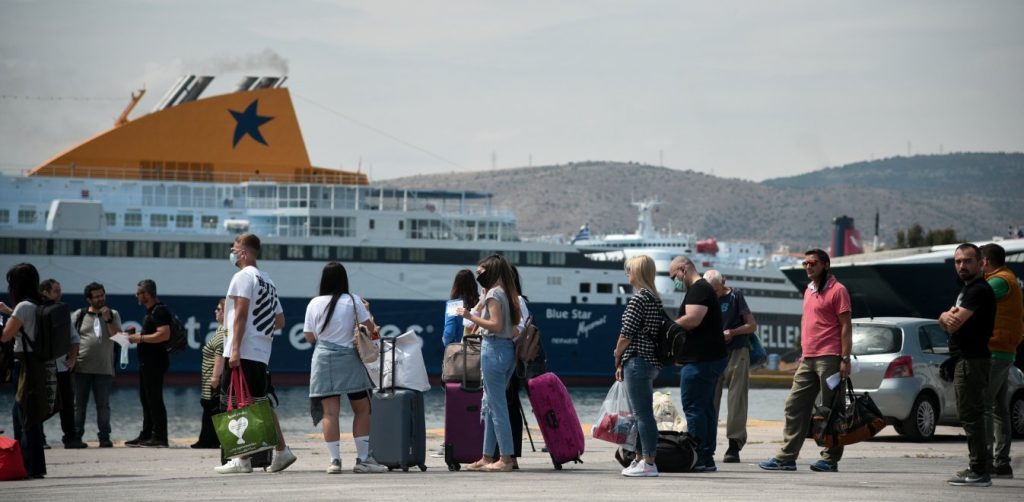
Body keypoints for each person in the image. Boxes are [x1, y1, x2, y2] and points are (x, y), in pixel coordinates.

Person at [759, 248, 851, 473]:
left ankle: (830, 459)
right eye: (805, 264)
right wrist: (802, 353)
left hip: (829, 357)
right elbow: (808, 322)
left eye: (813, 263)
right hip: (808, 357)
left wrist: (845, 358)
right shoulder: (809, 290)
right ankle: (787, 457)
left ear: (825, 265)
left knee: (830, 410)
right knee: (794, 404)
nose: (808, 267)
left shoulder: (838, 290)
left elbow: (846, 325)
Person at [215, 233, 296, 474]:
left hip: (243, 348)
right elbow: (279, 320)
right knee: (259, 402)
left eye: (235, 247)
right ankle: (281, 451)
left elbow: (240, 313)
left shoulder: (242, 277)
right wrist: (260, 330)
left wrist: (236, 347)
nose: (232, 251)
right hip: (261, 351)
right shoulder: (268, 281)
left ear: (244, 252)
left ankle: (242, 459)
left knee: (238, 401)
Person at [303, 261, 387, 474]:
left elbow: (309, 337)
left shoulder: (314, 303)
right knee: (362, 409)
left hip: (323, 359)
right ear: (344, 280)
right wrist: (368, 312)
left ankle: (334, 461)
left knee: (330, 413)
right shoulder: (353, 300)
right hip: (350, 359)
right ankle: (363, 460)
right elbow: (372, 330)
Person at [938, 243, 997, 486]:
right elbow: (950, 321)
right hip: (966, 359)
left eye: (967, 261)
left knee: (971, 416)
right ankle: (978, 466)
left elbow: (952, 324)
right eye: (958, 261)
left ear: (981, 263)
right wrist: (945, 317)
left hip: (972, 360)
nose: (962, 265)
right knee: (971, 415)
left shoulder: (978, 290)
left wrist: (943, 317)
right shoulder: (968, 290)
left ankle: (979, 471)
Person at [456, 254, 520, 472]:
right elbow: (511, 326)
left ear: (490, 272)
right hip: (504, 350)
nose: (477, 276)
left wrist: (469, 316)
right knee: (492, 405)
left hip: (493, 349)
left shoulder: (494, 294)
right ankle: (487, 455)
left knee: (497, 406)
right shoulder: (506, 293)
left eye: (480, 272)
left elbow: (494, 324)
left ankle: (505, 458)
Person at [668, 255, 726, 472]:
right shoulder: (702, 289)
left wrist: (669, 328)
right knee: (705, 409)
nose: (674, 280)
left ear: (683, 269)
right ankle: (706, 457)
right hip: (708, 359)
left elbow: (692, 319)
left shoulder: (699, 289)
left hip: (701, 361)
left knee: (694, 409)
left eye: (674, 275)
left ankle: (698, 457)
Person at [613, 255, 664, 477]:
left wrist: (617, 354)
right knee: (639, 413)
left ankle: (649, 462)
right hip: (650, 361)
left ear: (638, 273)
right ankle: (639, 458)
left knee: (642, 414)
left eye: (630, 270)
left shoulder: (638, 299)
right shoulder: (655, 299)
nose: (627, 274)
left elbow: (627, 333)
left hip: (637, 360)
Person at [2, 263, 51, 478]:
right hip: (39, 363)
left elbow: (5, 336)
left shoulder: (23, 306)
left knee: (24, 416)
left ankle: (30, 466)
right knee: (29, 414)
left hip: (24, 364)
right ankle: (34, 466)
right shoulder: (41, 304)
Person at [705, 270, 758, 464]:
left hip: (737, 351)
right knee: (710, 400)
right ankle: (706, 442)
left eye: (717, 290)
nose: (715, 295)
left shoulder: (736, 296)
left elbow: (752, 325)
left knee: (737, 400)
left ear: (723, 283)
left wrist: (732, 332)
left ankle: (734, 444)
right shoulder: (705, 297)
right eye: (712, 291)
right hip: (713, 354)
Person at [979, 243, 1022, 480]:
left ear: (984, 262)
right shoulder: (1008, 278)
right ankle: (1002, 462)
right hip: (1004, 350)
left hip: (995, 351)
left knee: (984, 404)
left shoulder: (997, 281)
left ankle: (984, 461)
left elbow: (973, 302)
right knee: (999, 408)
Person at [71, 282, 121, 449]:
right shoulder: (79, 315)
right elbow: (70, 338)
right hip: (81, 368)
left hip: (104, 368)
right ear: (89, 299)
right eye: (96, 296)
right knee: (79, 405)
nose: (100, 298)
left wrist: (108, 320)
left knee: (103, 405)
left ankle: (104, 437)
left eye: (102, 295)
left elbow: (117, 337)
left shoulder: (113, 314)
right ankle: (76, 436)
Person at [125, 279, 171, 448]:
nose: (136, 296)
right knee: (146, 399)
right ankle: (146, 434)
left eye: (138, 293)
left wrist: (140, 338)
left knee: (154, 399)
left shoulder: (159, 311)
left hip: (155, 362)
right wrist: (138, 336)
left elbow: (164, 334)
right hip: (147, 362)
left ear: (147, 294)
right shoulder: (151, 311)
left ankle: (160, 437)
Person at [39, 278, 82, 450]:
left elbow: (74, 338)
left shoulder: (63, 312)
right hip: (42, 366)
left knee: (66, 403)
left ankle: (71, 438)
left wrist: (72, 359)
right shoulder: (37, 310)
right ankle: (39, 438)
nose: (60, 294)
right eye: (56, 291)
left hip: (61, 366)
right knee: (42, 403)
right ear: (45, 292)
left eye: (59, 290)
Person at [192, 298, 226, 449]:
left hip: (213, 380)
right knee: (209, 408)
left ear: (227, 313)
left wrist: (215, 377)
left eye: (219, 309)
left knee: (211, 409)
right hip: (208, 379)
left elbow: (220, 355)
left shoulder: (224, 332)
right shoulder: (220, 329)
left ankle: (207, 440)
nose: (215, 311)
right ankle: (209, 439)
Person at [443, 269, 479, 346]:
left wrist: (445, 341)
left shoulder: (454, 304)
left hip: (461, 349)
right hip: (479, 348)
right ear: (473, 284)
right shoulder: (481, 302)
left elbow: (449, 332)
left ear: (456, 285)